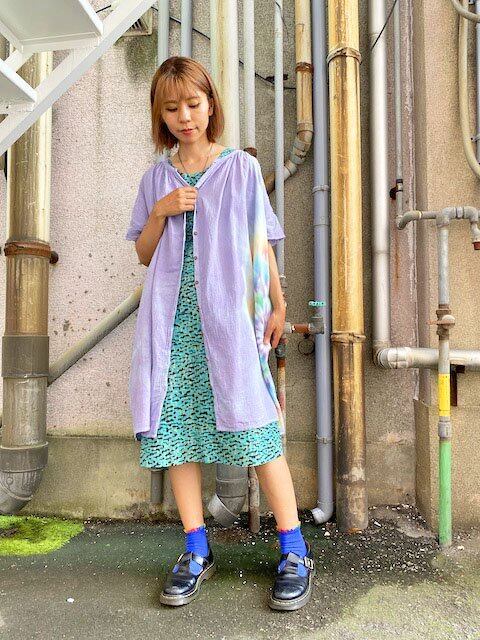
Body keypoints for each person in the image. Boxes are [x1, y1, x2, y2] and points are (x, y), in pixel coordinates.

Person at [125, 56, 315, 611]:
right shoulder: (155, 179)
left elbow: (261, 243)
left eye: (193, 103)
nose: (185, 116)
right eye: (172, 108)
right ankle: (195, 548)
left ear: (210, 105)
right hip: (172, 325)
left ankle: (295, 550)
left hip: (231, 320)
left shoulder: (241, 169)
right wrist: (160, 212)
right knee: (176, 432)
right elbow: (144, 254)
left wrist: (278, 303)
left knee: (257, 430)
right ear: (160, 115)